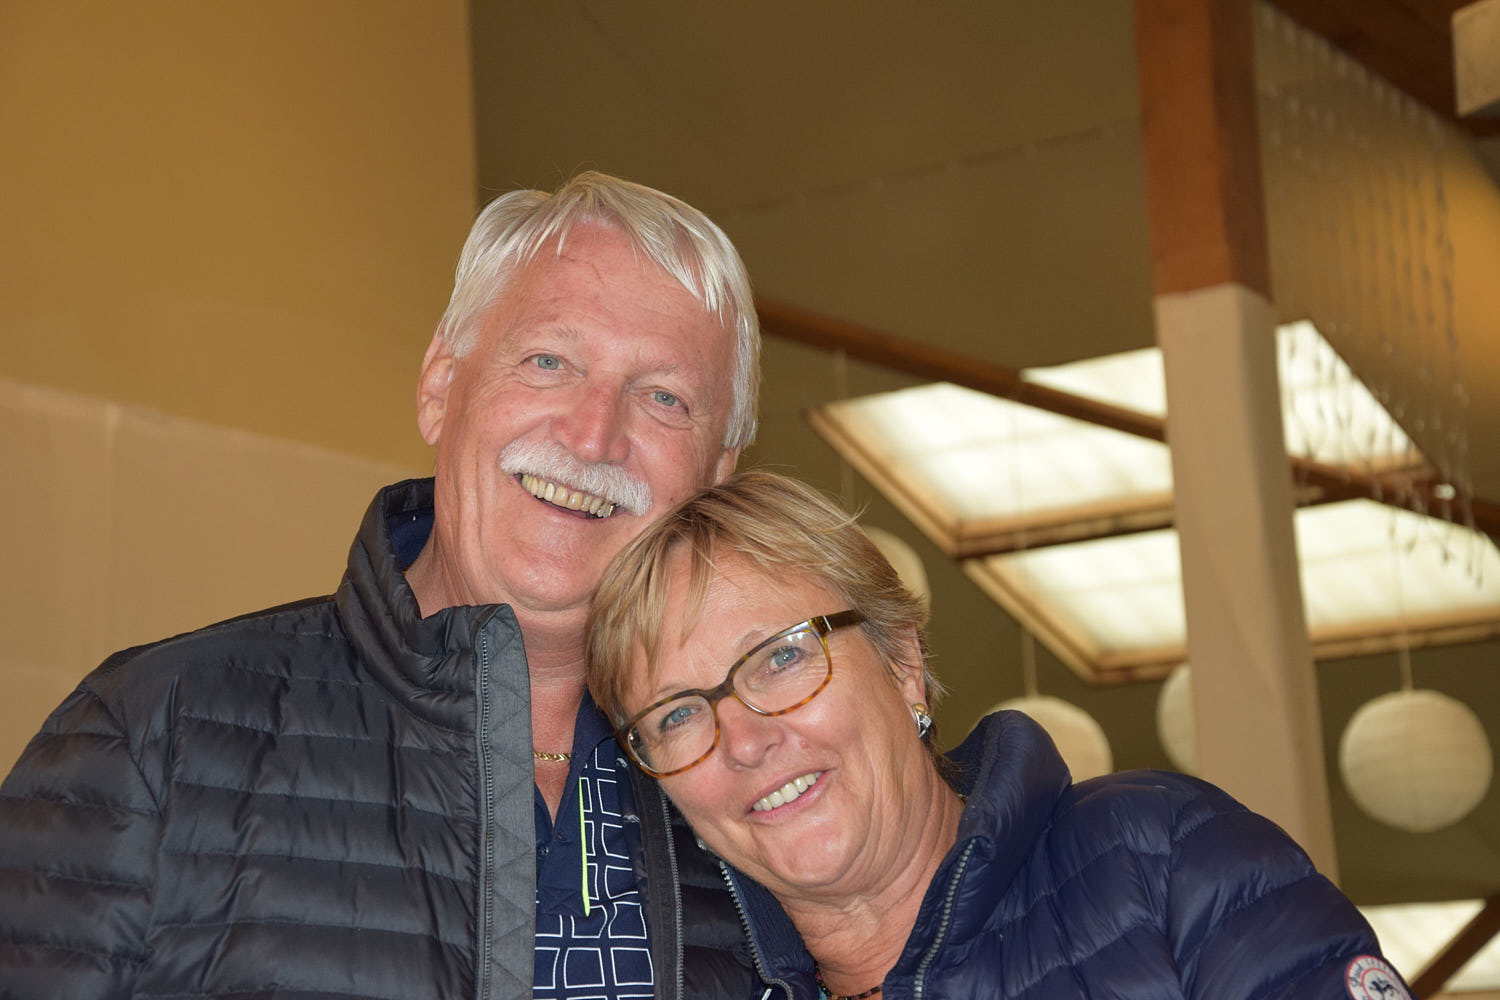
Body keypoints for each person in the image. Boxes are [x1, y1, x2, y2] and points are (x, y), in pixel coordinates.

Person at [0, 172, 765, 999]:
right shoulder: (152, 732)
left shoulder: (763, 795)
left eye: (663, 398)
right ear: (440, 387)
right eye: (549, 361)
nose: (593, 435)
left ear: (716, 480)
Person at [587, 470, 1415, 1000]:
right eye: (676, 715)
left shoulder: (1162, 860)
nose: (742, 739)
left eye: (780, 657)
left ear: (903, 666)